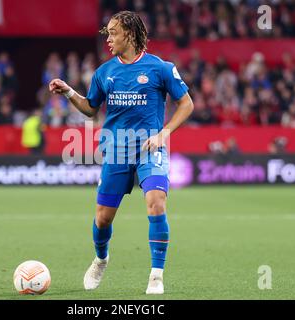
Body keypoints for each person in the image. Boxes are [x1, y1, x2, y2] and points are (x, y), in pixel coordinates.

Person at [49, 11, 194, 295]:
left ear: (128, 32)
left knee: (156, 201)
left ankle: (156, 275)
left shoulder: (160, 68)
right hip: (115, 151)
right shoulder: (104, 72)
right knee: (103, 218)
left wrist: (164, 133)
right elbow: (91, 108)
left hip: (149, 149)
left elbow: (186, 104)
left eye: (113, 33)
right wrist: (68, 92)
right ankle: (101, 258)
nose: (109, 39)